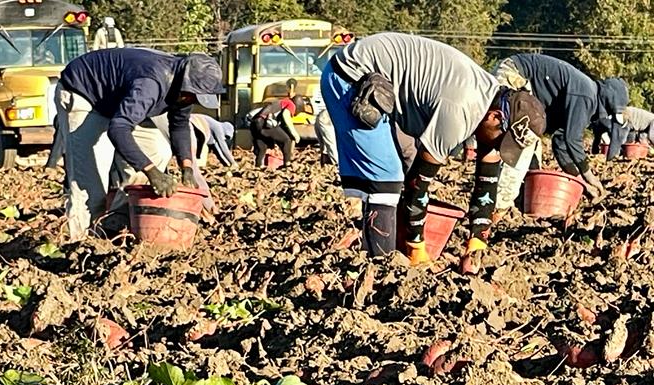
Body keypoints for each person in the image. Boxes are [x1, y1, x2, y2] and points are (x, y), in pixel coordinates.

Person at [321, 32, 545, 271]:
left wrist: (476, 243)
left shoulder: (491, 101)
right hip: (351, 75)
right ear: (495, 117)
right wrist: (417, 247)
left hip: (388, 89)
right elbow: (418, 183)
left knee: (401, 168)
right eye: (503, 139)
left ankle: (384, 251)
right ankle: (380, 269)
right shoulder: (460, 110)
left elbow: (487, 181)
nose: (499, 148)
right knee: (387, 178)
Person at [54, 48, 225, 241]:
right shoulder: (150, 84)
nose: (191, 101)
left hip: (118, 101)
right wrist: (151, 172)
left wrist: (187, 167)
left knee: (158, 150)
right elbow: (118, 129)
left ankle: (117, 219)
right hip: (84, 93)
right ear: (184, 84)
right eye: (192, 96)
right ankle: (83, 242)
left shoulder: (185, 90)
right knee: (91, 184)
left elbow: (179, 125)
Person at [492, 53, 628, 205]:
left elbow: (561, 142)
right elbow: (572, 139)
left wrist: (579, 181)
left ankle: (521, 200)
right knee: (524, 141)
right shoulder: (586, 94)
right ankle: (499, 204)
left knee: (533, 150)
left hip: (524, 86)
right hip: (515, 73)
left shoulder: (586, 99)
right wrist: (589, 176)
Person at [249, 98, 301, 168]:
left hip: (254, 123)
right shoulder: (290, 104)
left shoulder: (278, 103)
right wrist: (294, 133)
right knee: (286, 140)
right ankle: (287, 163)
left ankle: (259, 165)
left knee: (262, 147)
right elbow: (286, 116)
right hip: (264, 123)